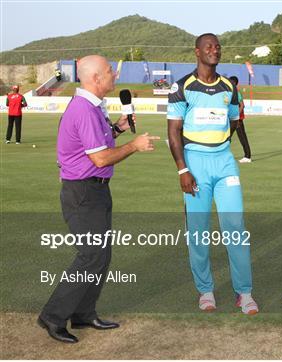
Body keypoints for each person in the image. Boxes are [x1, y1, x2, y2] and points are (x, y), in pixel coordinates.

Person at [38, 55, 159, 343]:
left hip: (94, 190)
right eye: (109, 72)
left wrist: (117, 129)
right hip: (83, 192)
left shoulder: (91, 107)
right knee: (91, 255)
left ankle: (83, 313)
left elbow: (94, 146)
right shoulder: (83, 109)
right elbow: (101, 157)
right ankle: (52, 316)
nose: (114, 77)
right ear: (95, 78)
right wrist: (134, 145)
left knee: (101, 256)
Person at [167, 33, 258, 315]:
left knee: (236, 229)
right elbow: (173, 132)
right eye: (208, 46)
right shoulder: (182, 86)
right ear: (197, 52)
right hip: (194, 163)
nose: (214, 50)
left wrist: (219, 144)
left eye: (217, 46)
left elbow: (233, 121)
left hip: (224, 161)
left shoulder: (229, 87)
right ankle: (205, 291)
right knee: (198, 231)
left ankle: (244, 293)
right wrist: (183, 168)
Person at [229, 76, 252, 163]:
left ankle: (247, 156)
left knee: (242, 137)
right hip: (232, 120)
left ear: (234, 83)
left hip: (238, 120)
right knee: (227, 137)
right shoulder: (231, 92)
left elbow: (242, 105)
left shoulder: (236, 92)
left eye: (230, 82)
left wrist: (237, 116)